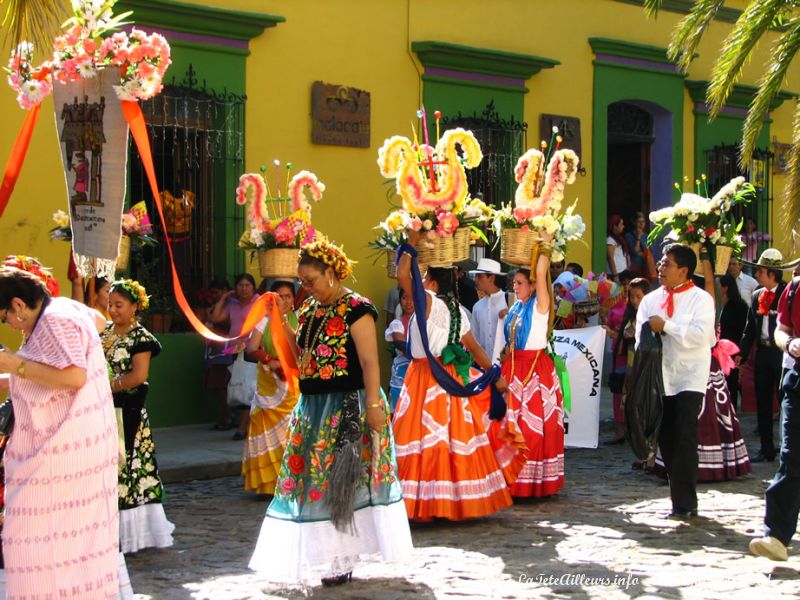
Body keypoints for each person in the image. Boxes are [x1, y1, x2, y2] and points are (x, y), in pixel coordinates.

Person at [249, 240, 412, 586]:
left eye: (311, 281)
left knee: (342, 481)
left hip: (347, 406)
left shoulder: (358, 309)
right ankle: (329, 553)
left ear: (332, 273)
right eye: (302, 282)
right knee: (313, 481)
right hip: (313, 407)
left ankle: (342, 557)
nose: (305, 288)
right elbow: (298, 356)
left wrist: (372, 406)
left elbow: (369, 362)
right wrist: (280, 318)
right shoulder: (309, 311)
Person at [0, 258, 133, 597]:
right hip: (64, 450)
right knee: (59, 547)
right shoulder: (63, 311)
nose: (10, 325)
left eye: (6, 317)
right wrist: (13, 372)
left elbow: (73, 376)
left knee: (30, 543)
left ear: (18, 304)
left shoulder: (56, 318)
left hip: (61, 455)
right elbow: (98, 324)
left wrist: (15, 365)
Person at [393, 229, 519, 520]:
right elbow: (475, 349)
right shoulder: (458, 311)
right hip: (452, 378)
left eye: (424, 278)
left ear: (433, 283)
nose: (420, 281)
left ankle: (426, 502)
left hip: (426, 376)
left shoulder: (429, 303)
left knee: (423, 438)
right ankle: (451, 501)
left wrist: (411, 241)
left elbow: (402, 277)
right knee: (450, 439)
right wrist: (496, 376)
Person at [635, 243, 715, 519]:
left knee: (684, 434)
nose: (660, 268)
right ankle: (677, 497)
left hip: (689, 376)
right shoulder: (650, 300)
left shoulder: (701, 299)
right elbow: (639, 339)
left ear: (683, 270)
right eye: (660, 263)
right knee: (666, 438)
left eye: (667, 264)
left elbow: (701, 336)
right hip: (660, 377)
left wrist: (667, 326)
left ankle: (686, 502)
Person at [652, 260, 751, 482]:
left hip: (704, 364)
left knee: (702, 414)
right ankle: (677, 467)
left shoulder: (706, 303)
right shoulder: (673, 303)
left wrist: (706, 253)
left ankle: (704, 467)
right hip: (681, 364)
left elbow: (709, 282)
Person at [490, 232, 566, 497]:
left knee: (532, 427)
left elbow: (542, 272)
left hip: (533, 369)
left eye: (520, 283)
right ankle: (511, 479)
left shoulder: (539, 305)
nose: (515, 286)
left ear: (533, 286)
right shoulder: (516, 307)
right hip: (513, 368)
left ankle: (531, 481)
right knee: (508, 425)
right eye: (514, 282)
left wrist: (544, 244)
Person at [102, 279, 174, 554]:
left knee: (126, 466)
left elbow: (139, 376)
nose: (113, 310)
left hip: (127, 411)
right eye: (110, 304)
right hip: (104, 409)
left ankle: (132, 532)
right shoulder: (105, 332)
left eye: (119, 305)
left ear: (135, 306)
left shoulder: (141, 338)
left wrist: (107, 385)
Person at [750, 265, 800, 561]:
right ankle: (776, 536)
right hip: (797, 381)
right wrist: (790, 343)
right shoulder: (794, 288)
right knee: (792, 456)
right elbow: (782, 330)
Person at [242, 280, 299, 494]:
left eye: (287, 296)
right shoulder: (263, 321)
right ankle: (269, 484)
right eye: (279, 296)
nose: (283, 300)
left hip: (292, 383)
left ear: (294, 299)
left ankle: (292, 481)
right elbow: (251, 349)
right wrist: (269, 359)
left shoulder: (300, 320)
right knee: (268, 433)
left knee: (293, 430)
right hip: (269, 382)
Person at [738, 249, 786, 462]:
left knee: (785, 399)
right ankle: (766, 448)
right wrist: (742, 353)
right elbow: (750, 328)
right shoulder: (757, 295)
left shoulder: (788, 293)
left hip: (781, 353)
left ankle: (787, 446)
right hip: (763, 353)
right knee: (763, 401)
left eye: (760, 271)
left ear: (772, 273)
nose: (756, 275)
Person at [210, 273, 260, 440]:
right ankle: (241, 423)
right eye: (240, 285)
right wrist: (224, 297)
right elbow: (215, 317)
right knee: (237, 386)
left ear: (253, 288)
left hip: (251, 351)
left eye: (247, 285)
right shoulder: (233, 304)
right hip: (234, 352)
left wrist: (250, 344)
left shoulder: (259, 302)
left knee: (248, 389)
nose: (244, 289)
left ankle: (241, 428)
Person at [604, 278, 651, 446]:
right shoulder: (627, 313)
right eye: (632, 296)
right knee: (620, 394)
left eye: (639, 296)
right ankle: (623, 431)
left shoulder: (650, 315)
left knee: (640, 399)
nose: (634, 300)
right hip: (624, 360)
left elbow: (630, 335)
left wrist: (613, 333)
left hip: (642, 363)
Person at [719, 273, 749, 410]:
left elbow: (742, 329)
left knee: (732, 384)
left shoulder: (739, 305)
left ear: (725, 288)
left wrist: (740, 351)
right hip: (721, 350)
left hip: (733, 349)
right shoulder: (722, 303)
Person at [469, 258, 508, 359]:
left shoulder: (509, 302)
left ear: (491, 278)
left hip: (506, 365)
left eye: (479, 276)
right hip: (484, 366)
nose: (476, 280)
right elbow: (475, 339)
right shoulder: (477, 307)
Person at [385, 286, 413, 411]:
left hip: (422, 372)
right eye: (404, 298)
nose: (408, 302)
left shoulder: (426, 323)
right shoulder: (397, 324)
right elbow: (401, 344)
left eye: (412, 298)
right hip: (403, 373)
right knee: (400, 409)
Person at [607, 214, 631, 281]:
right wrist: (615, 275)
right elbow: (610, 258)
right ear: (615, 226)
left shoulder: (619, 238)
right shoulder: (610, 240)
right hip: (617, 273)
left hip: (623, 271)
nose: (623, 226)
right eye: (621, 224)